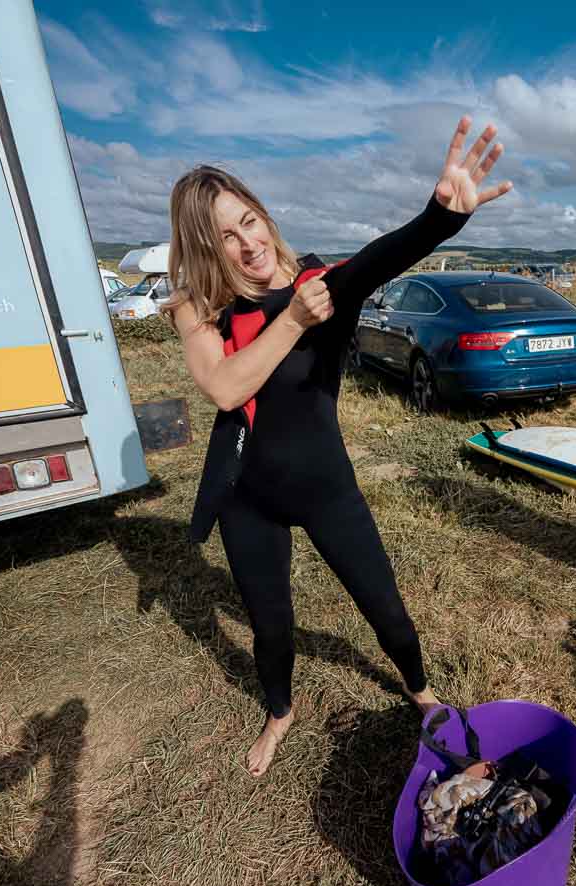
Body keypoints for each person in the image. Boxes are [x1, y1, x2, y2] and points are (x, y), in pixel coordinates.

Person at [165, 117, 512, 776]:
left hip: (326, 487)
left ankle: (420, 691)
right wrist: (291, 320)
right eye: (224, 236)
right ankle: (279, 712)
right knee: (270, 624)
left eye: (249, 221)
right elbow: (224, 387)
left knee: (384, 606)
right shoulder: (199, 308)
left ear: (264, 216)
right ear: (205, 248)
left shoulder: (318, 285)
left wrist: (439, 218)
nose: (247, 244)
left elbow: (379, 257)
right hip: (248, 497)